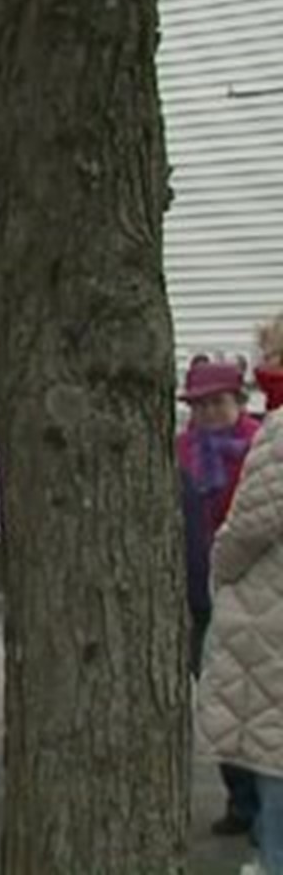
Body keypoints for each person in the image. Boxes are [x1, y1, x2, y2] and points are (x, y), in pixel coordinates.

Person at [198, 312, 283, 875]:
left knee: (277, 770)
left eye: (269, 350)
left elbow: (249, 525)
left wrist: (218, 568)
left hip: (271, 619)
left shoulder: (277, 433)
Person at [183, 353, 268, 839]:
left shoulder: (259, 448)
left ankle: (264, 808)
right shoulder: (181, 452)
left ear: (239, 401)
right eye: (200, 405)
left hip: (252, 594)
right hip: (202, 594)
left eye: (218, 402)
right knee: (218, 703)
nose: (209, 412)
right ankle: (240, 801)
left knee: (257, 707)